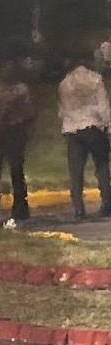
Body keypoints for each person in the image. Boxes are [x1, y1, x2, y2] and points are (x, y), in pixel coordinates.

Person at [0, 60, 34, 228]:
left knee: (16, 174)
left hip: (14, 133)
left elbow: (29, 113)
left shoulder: (21, 90)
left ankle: (20, 211)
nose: (7, 71)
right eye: (4, 68)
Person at [58, 55, 111, 221]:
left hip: (73, 130)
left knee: (76, 171)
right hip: (94, 128)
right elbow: (104, 107)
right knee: (101, 167)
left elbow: (62, 110)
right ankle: (107, 204)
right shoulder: (95, 80)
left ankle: (79, 208)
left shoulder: (65, 84)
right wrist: (107, 126)